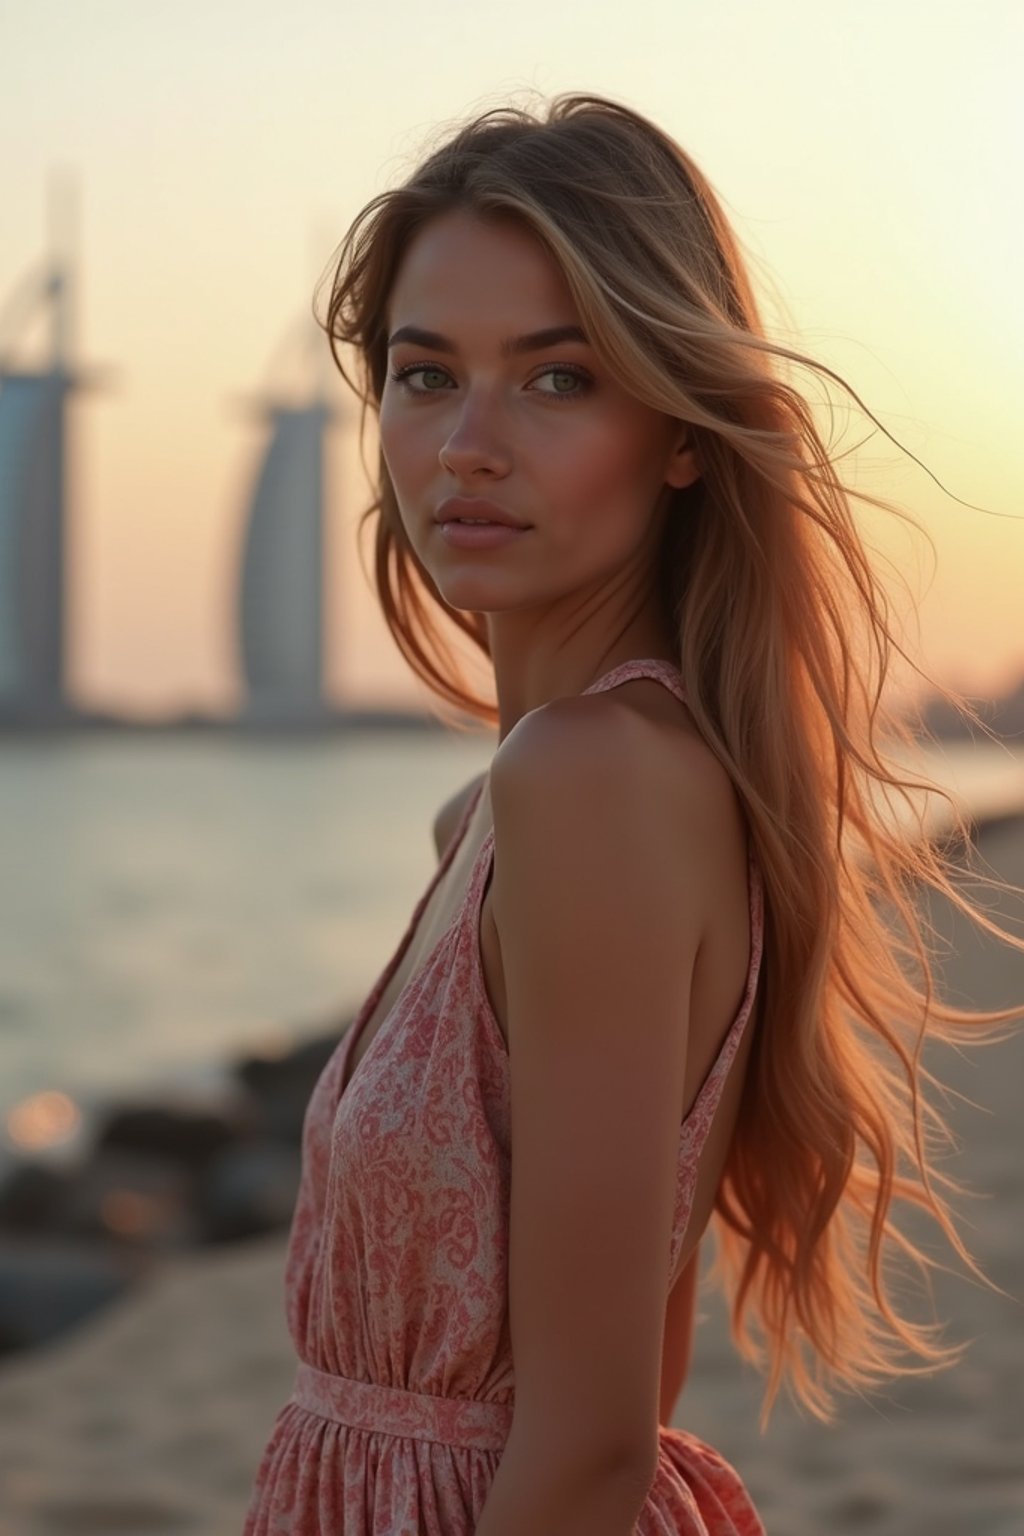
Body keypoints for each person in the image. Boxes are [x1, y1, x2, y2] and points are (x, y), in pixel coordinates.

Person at [243, 94, 1020, 1535]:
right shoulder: (508, 807)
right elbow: (634, 1368)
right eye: (426, 375)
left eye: (558, 381)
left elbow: (596, 1445)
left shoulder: (587, 785)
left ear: (677, 430)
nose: (468, 444)